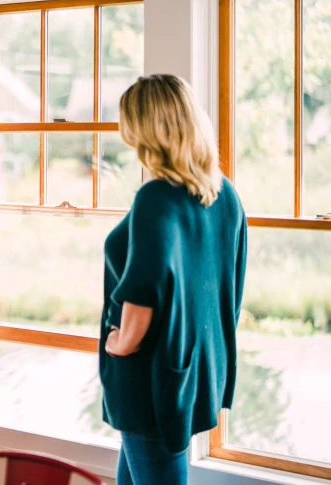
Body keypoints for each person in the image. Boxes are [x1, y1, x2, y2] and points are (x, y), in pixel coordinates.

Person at [99, 74, 247, 485]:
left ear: (145, 129)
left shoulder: (156, 198)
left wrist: (120, 342)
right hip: (197, 370)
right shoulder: (224, 194)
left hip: (151, 378)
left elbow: (143, 293)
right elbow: (228, 288)